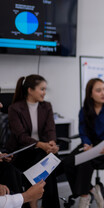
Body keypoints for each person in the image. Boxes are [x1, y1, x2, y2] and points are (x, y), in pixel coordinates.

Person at [63, 78, 104, 208]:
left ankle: (84, 198)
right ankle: (90, 190)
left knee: (85, 161)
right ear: (90, 94)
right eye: (98, 90)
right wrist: (86, 144)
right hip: (91, 145)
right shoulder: (84, 110)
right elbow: (83, 132)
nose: (103, 93)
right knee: (67, 163)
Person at [7, 75, 60, 208]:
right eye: (41, 89)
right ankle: (33, 203)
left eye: (45, 89)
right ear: (30, 90)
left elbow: (50, 129)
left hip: (41, 151)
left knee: (48, 160)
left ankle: (37, 203)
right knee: (45, 162)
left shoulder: (46, 106)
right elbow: (21, 136)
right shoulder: (15, 108)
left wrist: (52, 143)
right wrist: (40, 144)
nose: (44, 92)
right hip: (22, 152)